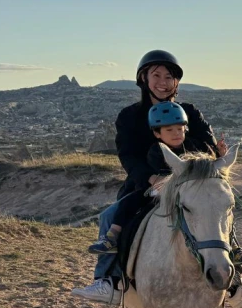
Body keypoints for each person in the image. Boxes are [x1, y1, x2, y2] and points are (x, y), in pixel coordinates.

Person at [71, 50, 242, 308]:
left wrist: (202, 150)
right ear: (144, 78)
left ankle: (237, 282)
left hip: (191, 184)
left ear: (176, 82)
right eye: (157, 75)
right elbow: (128, 157)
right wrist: (151, 179)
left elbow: (207, 147)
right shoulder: (129, 117)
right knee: (111, 215)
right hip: (148, 184)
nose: (163, 82)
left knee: (215, 212)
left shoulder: (190, 112)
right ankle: (108, 281)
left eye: (169, 76)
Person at [86, 102, 225, 254]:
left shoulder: (193, 145)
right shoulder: (156, 151)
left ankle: (232, 246)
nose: (176, 133)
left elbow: (206, 162)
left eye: (180, 129)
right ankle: (112, 236)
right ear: (157, 134)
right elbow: (161, 174)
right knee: (130, 202)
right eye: (169, 130)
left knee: (219, 206)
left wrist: (218, 153)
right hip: (161, 189)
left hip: (191, 189)